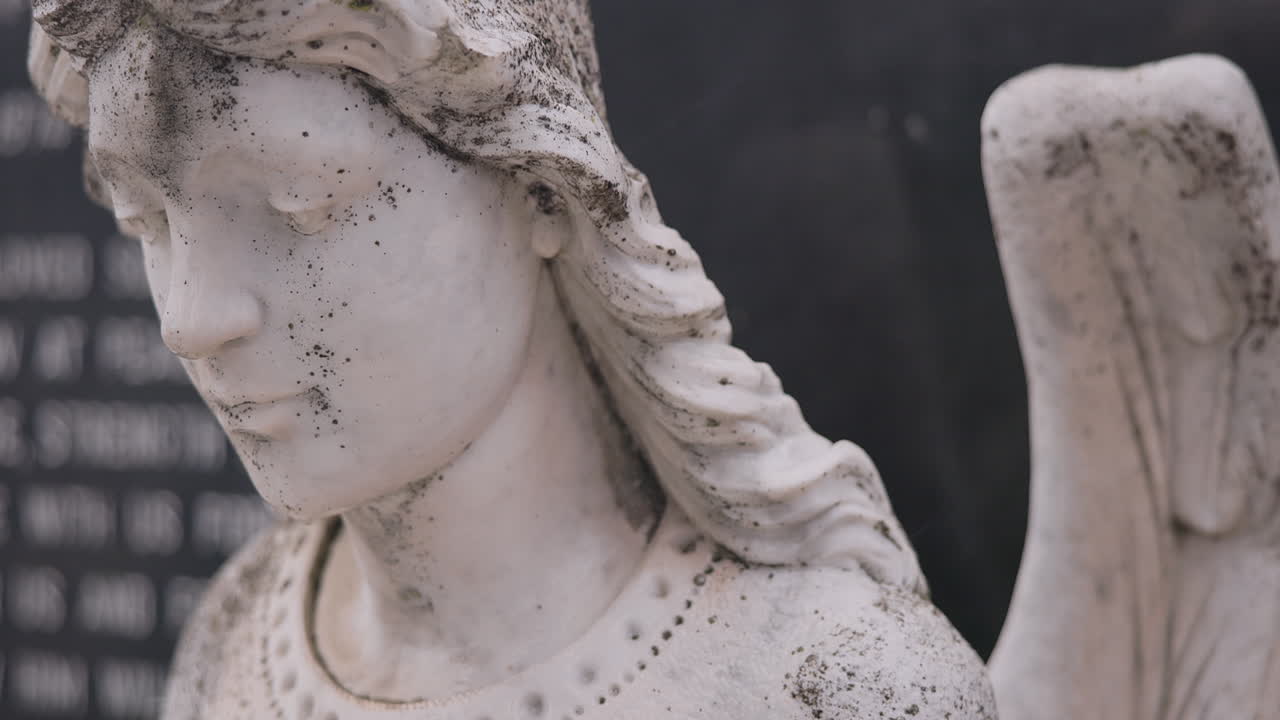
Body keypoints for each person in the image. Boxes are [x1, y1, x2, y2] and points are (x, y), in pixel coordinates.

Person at [28, 0, 995, 717]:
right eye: (144, 220)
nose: (192, 317)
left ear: (541, 190)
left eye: (299, 206)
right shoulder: (238, 639)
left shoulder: (831, 685)